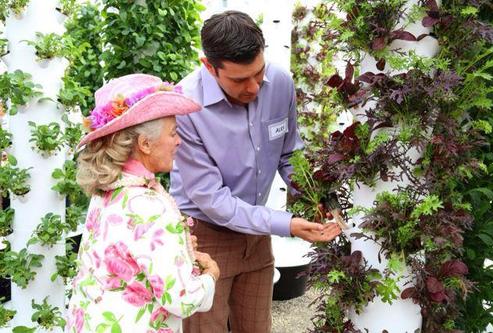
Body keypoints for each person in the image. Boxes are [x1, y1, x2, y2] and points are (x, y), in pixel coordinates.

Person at [169, 10, 342, 333]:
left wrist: (314, 194)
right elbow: (214, 201)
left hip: (256, 236)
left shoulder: (279, 83)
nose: (254, 87)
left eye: (258, 73)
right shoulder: (185, 107)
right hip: (204, 238)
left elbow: (289, 154)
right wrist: (287, 225)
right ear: (209, 66)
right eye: (238, 80)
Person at [66, 74, 220, 333]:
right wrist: (210, 276)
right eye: (173, 133)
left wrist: (178, 248)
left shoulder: (107, 190)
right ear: (145, 144)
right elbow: (182, 299)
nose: (179, 141)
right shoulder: (151, 206)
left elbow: (126, 263)